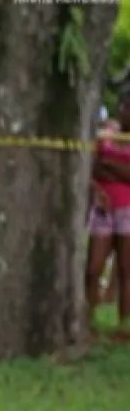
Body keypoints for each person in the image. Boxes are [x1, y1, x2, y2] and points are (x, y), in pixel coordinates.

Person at [88, 87, 130, 333]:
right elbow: (94, 166)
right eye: (126, 107)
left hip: (128, 209)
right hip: (103, 208)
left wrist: (110, 166)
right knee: (93, 268)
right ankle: (88, 322)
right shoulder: (106, 136)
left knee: (126, 270)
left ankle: (124, 327)